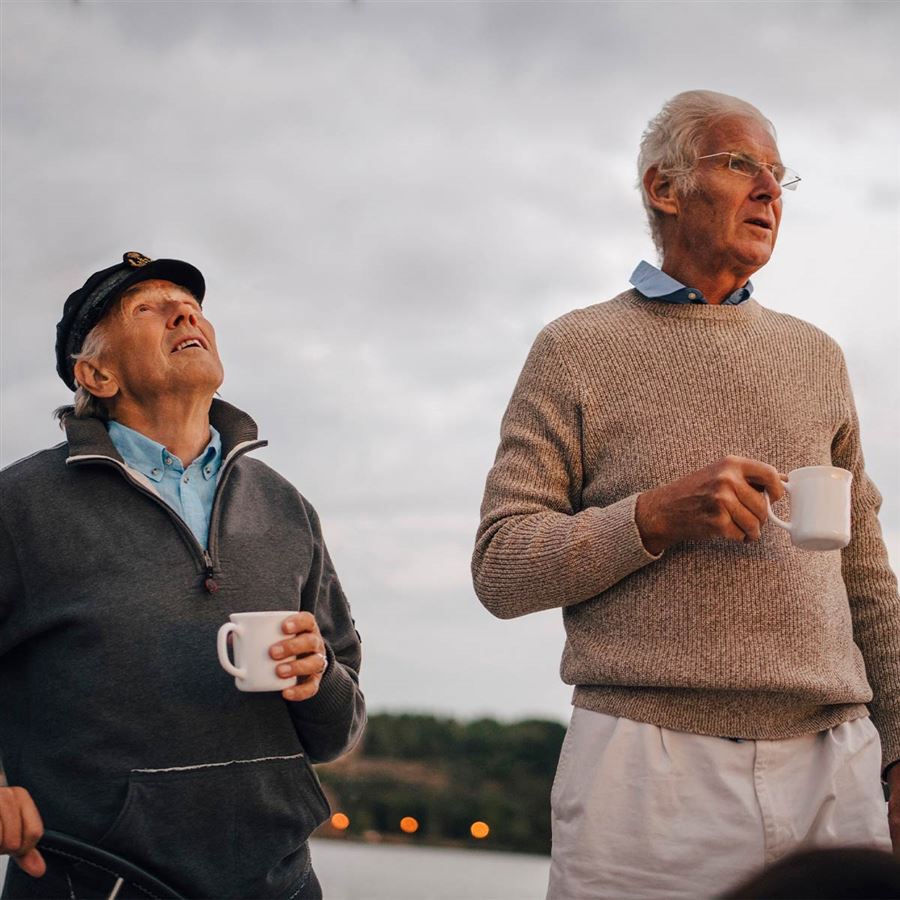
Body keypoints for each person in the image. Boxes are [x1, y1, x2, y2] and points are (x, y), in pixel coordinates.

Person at [471, 90, 900, 898]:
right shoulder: (574, 349)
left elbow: (867, 572)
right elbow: (500, 568)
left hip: (835, 766)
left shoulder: (818, 356)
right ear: (665, 189)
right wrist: (653, 517)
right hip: (643, 774)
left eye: (780, 175)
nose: (770, 190)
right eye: (742, 165)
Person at [0, 252, 365, 899]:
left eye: (191, 306)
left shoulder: (287, 509)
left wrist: (321, 682)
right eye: (148, 309)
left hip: (280, 882)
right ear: (97, 374)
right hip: (93, 882)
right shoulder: (20, 505)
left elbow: (336, 732)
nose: (184, 312)